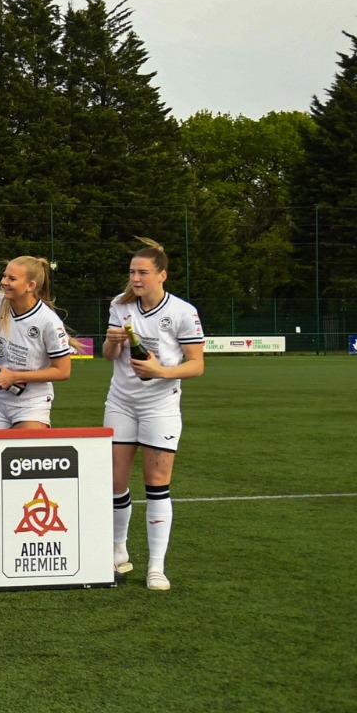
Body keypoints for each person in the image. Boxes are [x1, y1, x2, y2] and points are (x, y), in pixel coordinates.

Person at [102, 238, 205, 591]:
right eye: (132, 272)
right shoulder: (120, 305)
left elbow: (197, 366)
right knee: (115, 482)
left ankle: (156, 568)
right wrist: (114, 340)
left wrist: (160, 371)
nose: (135, 278)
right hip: (120, 401)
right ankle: (118, 553)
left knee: (157, 485)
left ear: (162, 275)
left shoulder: (182, 312)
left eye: (142, 272)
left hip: (160, 406)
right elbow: (106, 354)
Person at [0, 257, 72, 430]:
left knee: (24, 455)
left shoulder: (48, 321)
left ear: (30, 286)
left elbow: (63, 371)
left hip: (32, 404)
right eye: (4, 276)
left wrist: (15, 376)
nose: (3, 282)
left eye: (12, 279)